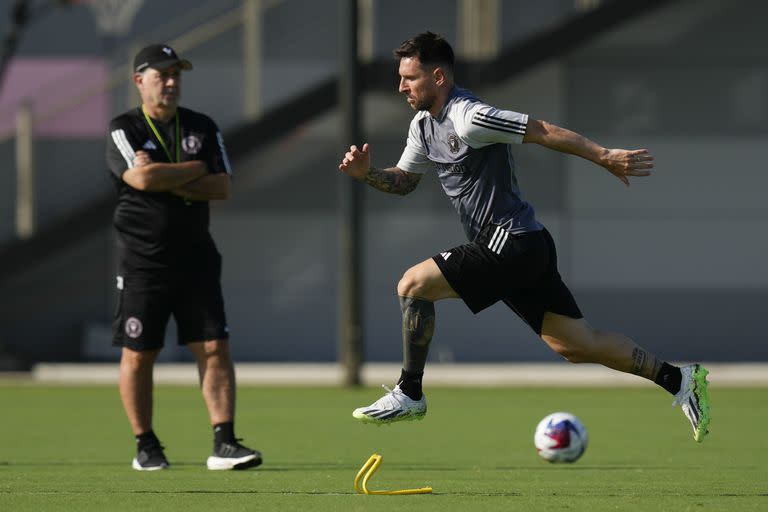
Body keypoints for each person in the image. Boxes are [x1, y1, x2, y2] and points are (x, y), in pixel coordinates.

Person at [338, 32, 710, 442]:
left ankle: (410, 393)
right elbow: (405, 181)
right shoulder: (423, 126)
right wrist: (366, 174)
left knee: (413, 283)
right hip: (524, 245)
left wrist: (604, 156)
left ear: (438, 76)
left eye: (409, 78)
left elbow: (541, 129)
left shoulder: (470, 116)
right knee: (576, 345)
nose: (401, 87)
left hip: (510, 241)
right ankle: (678, 378)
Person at [106, 44, 262, 470]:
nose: (172, 82)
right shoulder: (124, 128)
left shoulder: (202, 125)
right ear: (140, 81)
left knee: (214, 346)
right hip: (142, 261)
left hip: (196, 257)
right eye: (162, 75)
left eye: (177, 74)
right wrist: (195, 168)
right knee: (139, 353)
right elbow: (137, 177)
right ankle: (146, 445)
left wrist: (162, 176)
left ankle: (224, 443)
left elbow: (223, 187)